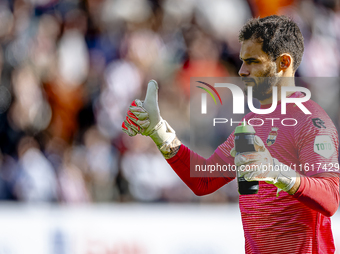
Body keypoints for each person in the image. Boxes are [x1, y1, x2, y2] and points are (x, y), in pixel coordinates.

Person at [122, 15, 340, 254]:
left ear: (283, 63)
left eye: (252, 61)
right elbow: (203, 180)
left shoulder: (313, 122)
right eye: (242, 61)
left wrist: (280, 174)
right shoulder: (250, 123)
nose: (242, 71)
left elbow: (331, 198)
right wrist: (159, 132)